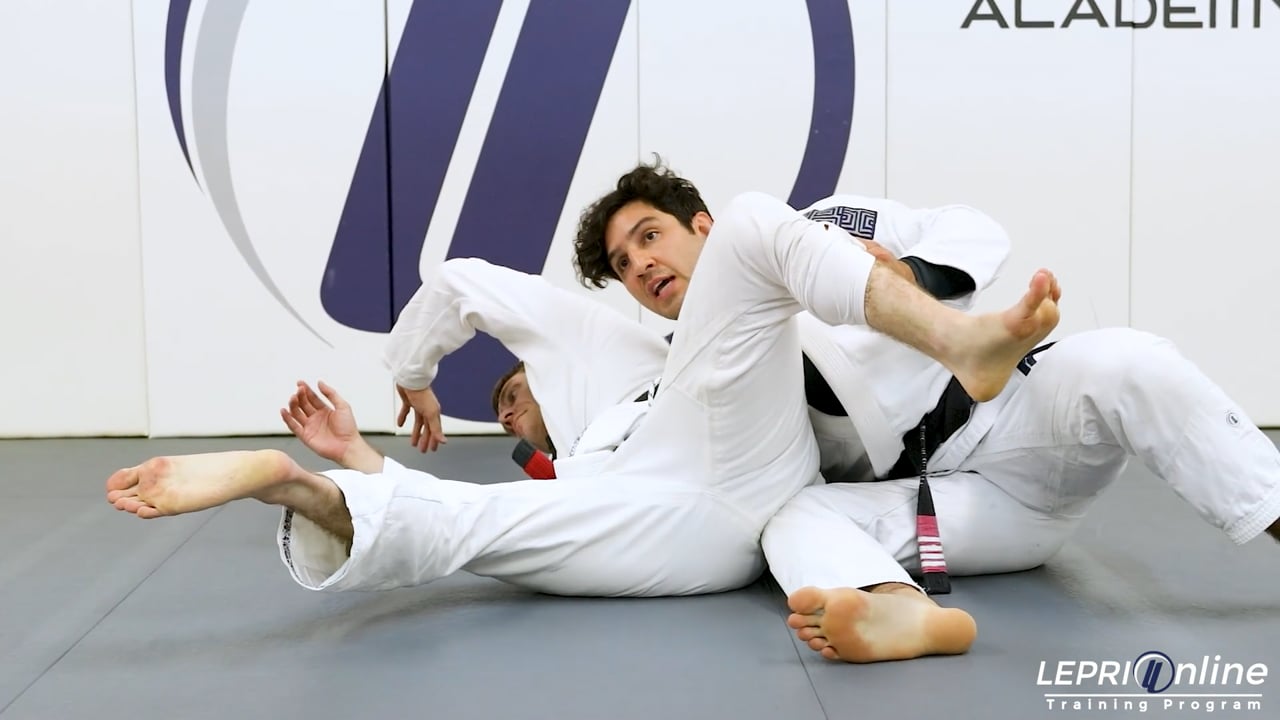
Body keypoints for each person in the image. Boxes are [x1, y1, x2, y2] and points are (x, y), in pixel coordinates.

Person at [105, 163, 1062, 663]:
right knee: (475, 524)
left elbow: (909, 244)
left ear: (695, 231)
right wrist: (404, 386)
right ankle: (287, 484)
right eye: (624, 264)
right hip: (642, 503)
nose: (641, 266)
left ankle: (960, 341)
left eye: (651, 237)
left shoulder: (748, 300)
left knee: (761, 220)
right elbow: (463, 281)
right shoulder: (613, 351)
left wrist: (930, 290)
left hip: (749, 459)